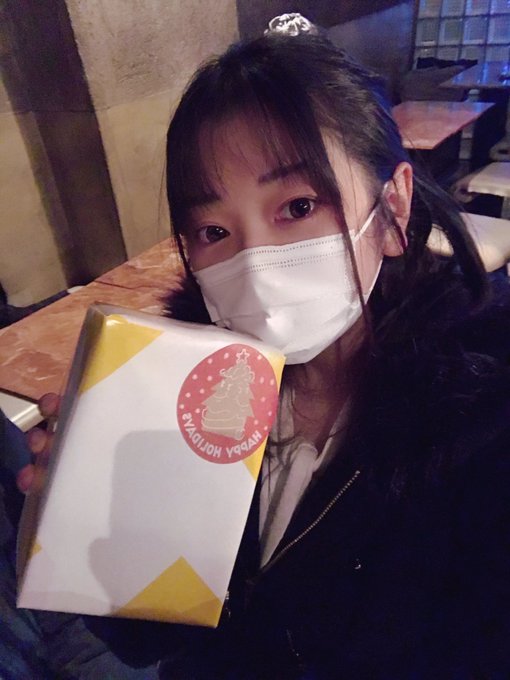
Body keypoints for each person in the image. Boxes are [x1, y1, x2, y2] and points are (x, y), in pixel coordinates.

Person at [18, 33, 510, 679]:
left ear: (392, 207)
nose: (255, 264)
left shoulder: (483, 427)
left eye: (298, 207)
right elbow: (151, 642)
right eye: (214, 231)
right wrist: (100, 534)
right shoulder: (182, 391)